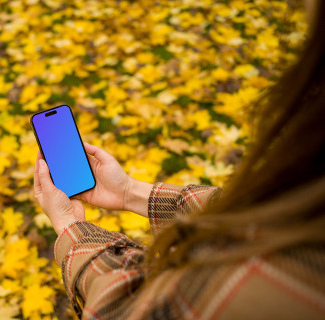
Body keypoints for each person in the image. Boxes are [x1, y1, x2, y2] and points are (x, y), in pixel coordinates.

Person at [33, 0, 325, 318]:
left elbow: (134, 309)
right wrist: (129, 192)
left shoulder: (266, 284)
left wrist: (69, 224)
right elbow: (253, 215)